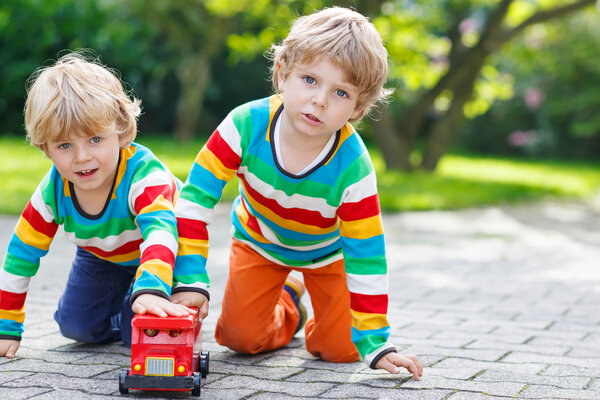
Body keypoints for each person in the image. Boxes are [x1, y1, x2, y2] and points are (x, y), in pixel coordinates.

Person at [173, 7, 423, 379]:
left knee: (341, 350)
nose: (320, 100)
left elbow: (367, 254)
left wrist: (376, 341)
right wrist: (190, 277)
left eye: (340, 92)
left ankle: (309, 300)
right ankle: (290, 300)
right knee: (239, 338)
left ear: (358, 108)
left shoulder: (353, 167)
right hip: (260, 241)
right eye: (309, 79)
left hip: (327, 256)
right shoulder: (244, 125)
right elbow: (195, 200)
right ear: (282, 74)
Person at [0, 51, 202, 359]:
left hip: (168, 252)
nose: (82, 157)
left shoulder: (144, 175)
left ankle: (149, 304)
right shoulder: (53, 190)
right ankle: (125, 310)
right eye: (65, 145)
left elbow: (161, 233)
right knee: (76, 328)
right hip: (102, 258)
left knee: (146, 337)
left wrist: (151, 289)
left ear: (120, 130)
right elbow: (19, 255)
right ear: (46, 147)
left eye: (95, 139)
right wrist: (6, 326)